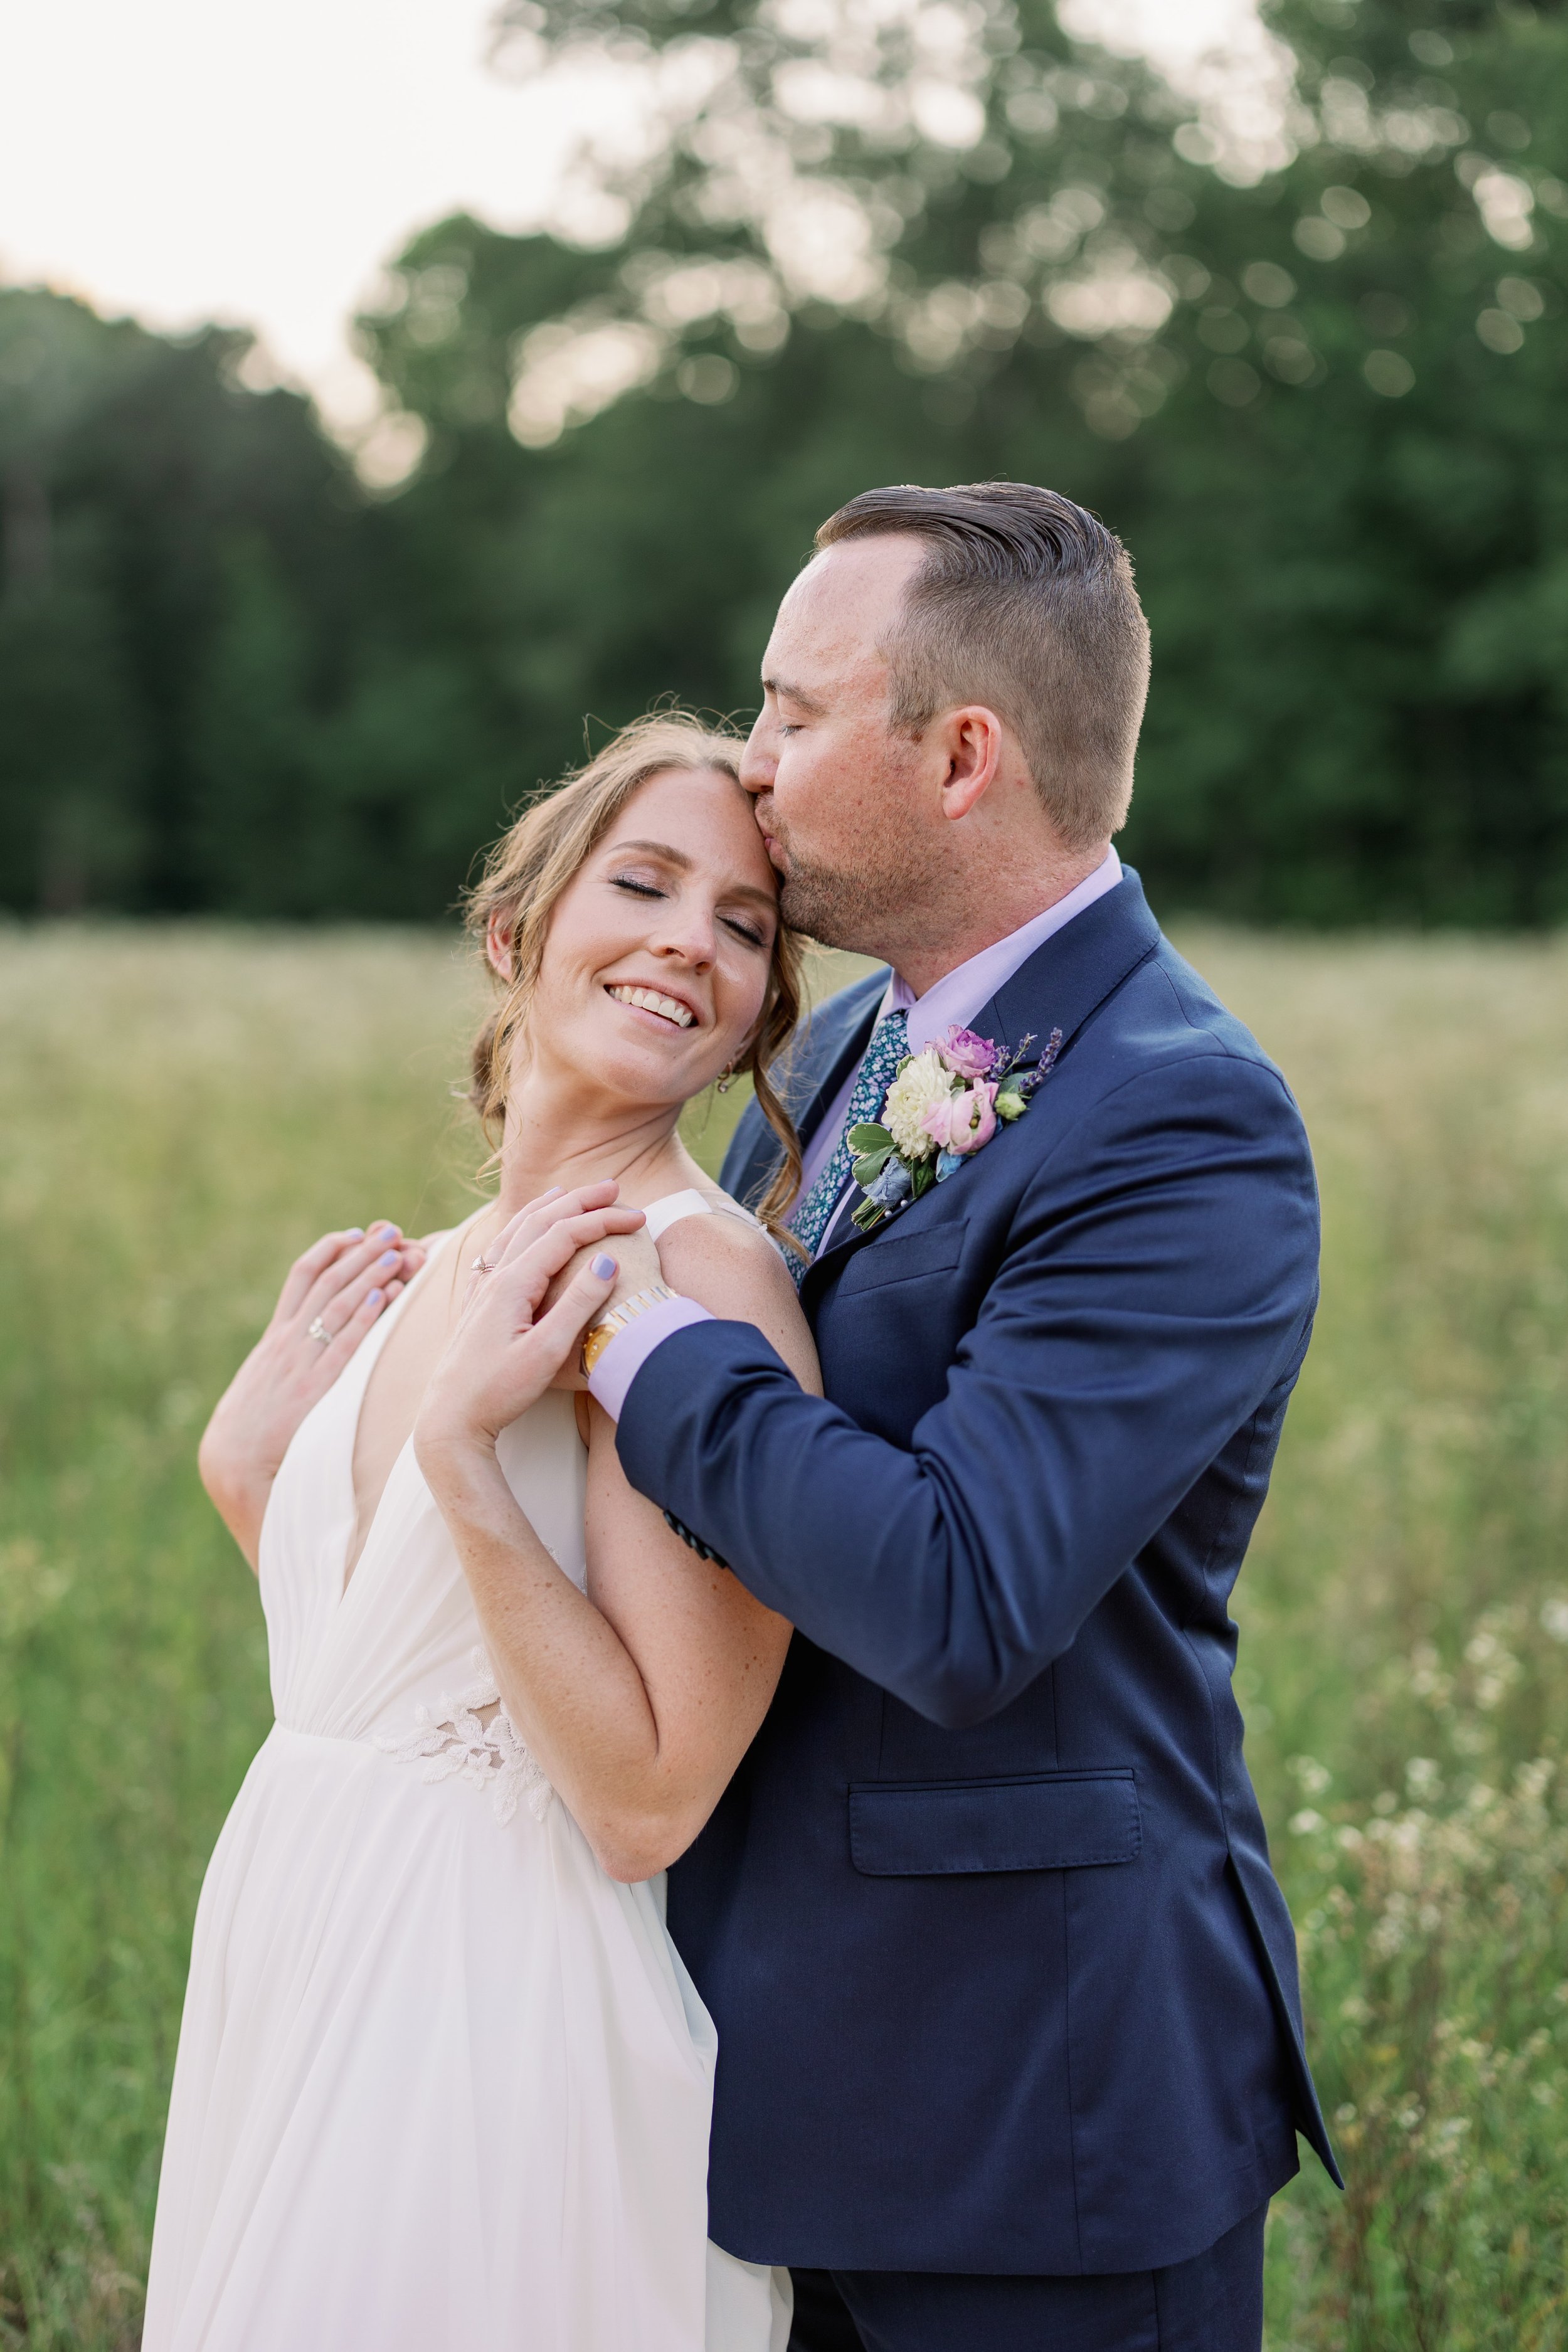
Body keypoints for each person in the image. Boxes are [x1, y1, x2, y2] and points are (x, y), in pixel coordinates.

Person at [580, 484, 1343, 2352]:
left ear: (961, 756)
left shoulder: (1183, 1120)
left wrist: (633, 1351)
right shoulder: (844, 1042)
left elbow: (957, 1595)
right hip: (763, 2060)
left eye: (792, 713)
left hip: (1035, 2116)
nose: (749, 767)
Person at [142, 716, 814, 2352]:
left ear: (752, 1020)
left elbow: (650, 1793)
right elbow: (411, 1676)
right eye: (643, 882)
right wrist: (252, 1478)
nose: (689, 941)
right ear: (514, 932)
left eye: (741, 925)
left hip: (494, 2015)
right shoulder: (440, 1264)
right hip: (301, 1949)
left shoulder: (687, 1279)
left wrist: (455, 1453)